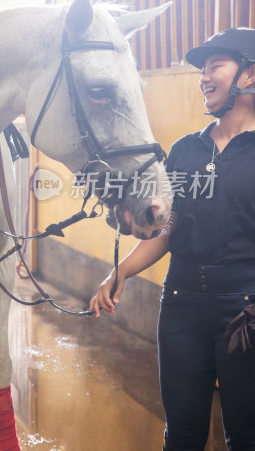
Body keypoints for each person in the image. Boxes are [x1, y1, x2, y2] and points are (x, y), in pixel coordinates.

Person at [89, 27, 255, 450]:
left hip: (245, 313)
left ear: (249, 76)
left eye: (215, 65)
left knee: (246, 436)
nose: (203, 76)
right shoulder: (185, 151)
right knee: (181, 434)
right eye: (202, 68)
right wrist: (120, 272)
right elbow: (167, 229)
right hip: (180, 307)